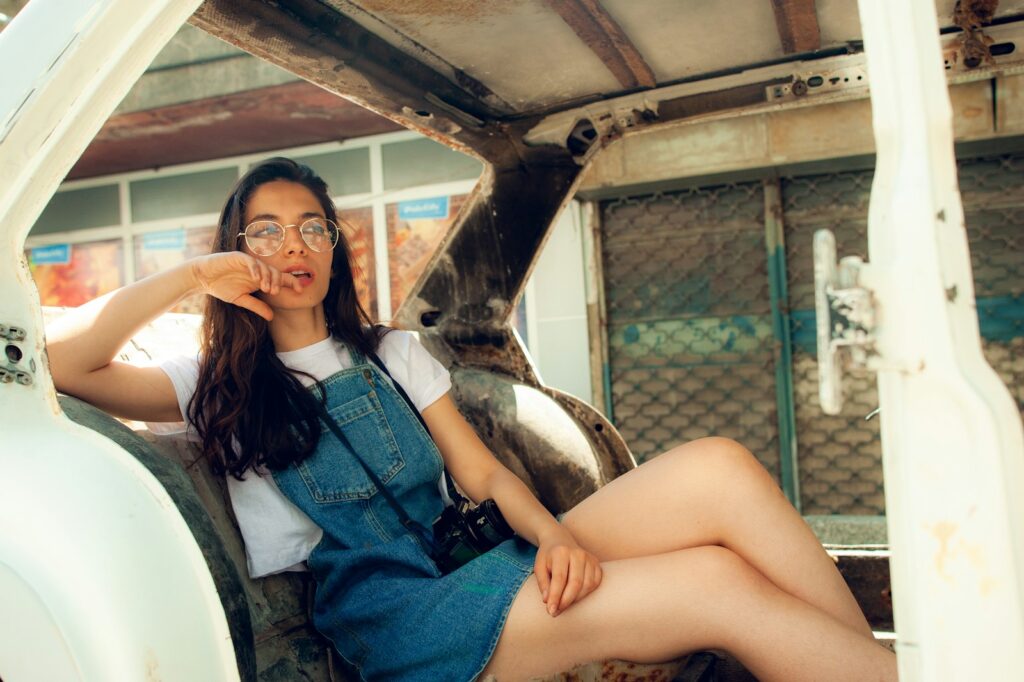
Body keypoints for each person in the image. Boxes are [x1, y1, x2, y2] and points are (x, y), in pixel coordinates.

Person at [47, 157, 897, 682]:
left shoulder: (389, 352)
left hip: (479, 553)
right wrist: (195, 276)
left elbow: (483, 473)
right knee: (715, 584)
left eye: (312, 226)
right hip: (400, 616)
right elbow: (62, 365)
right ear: (240, 250)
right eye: (266, 233)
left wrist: (557, 539)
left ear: (336, 245)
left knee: (718, 465)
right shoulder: (214, 380)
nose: (293, 246)